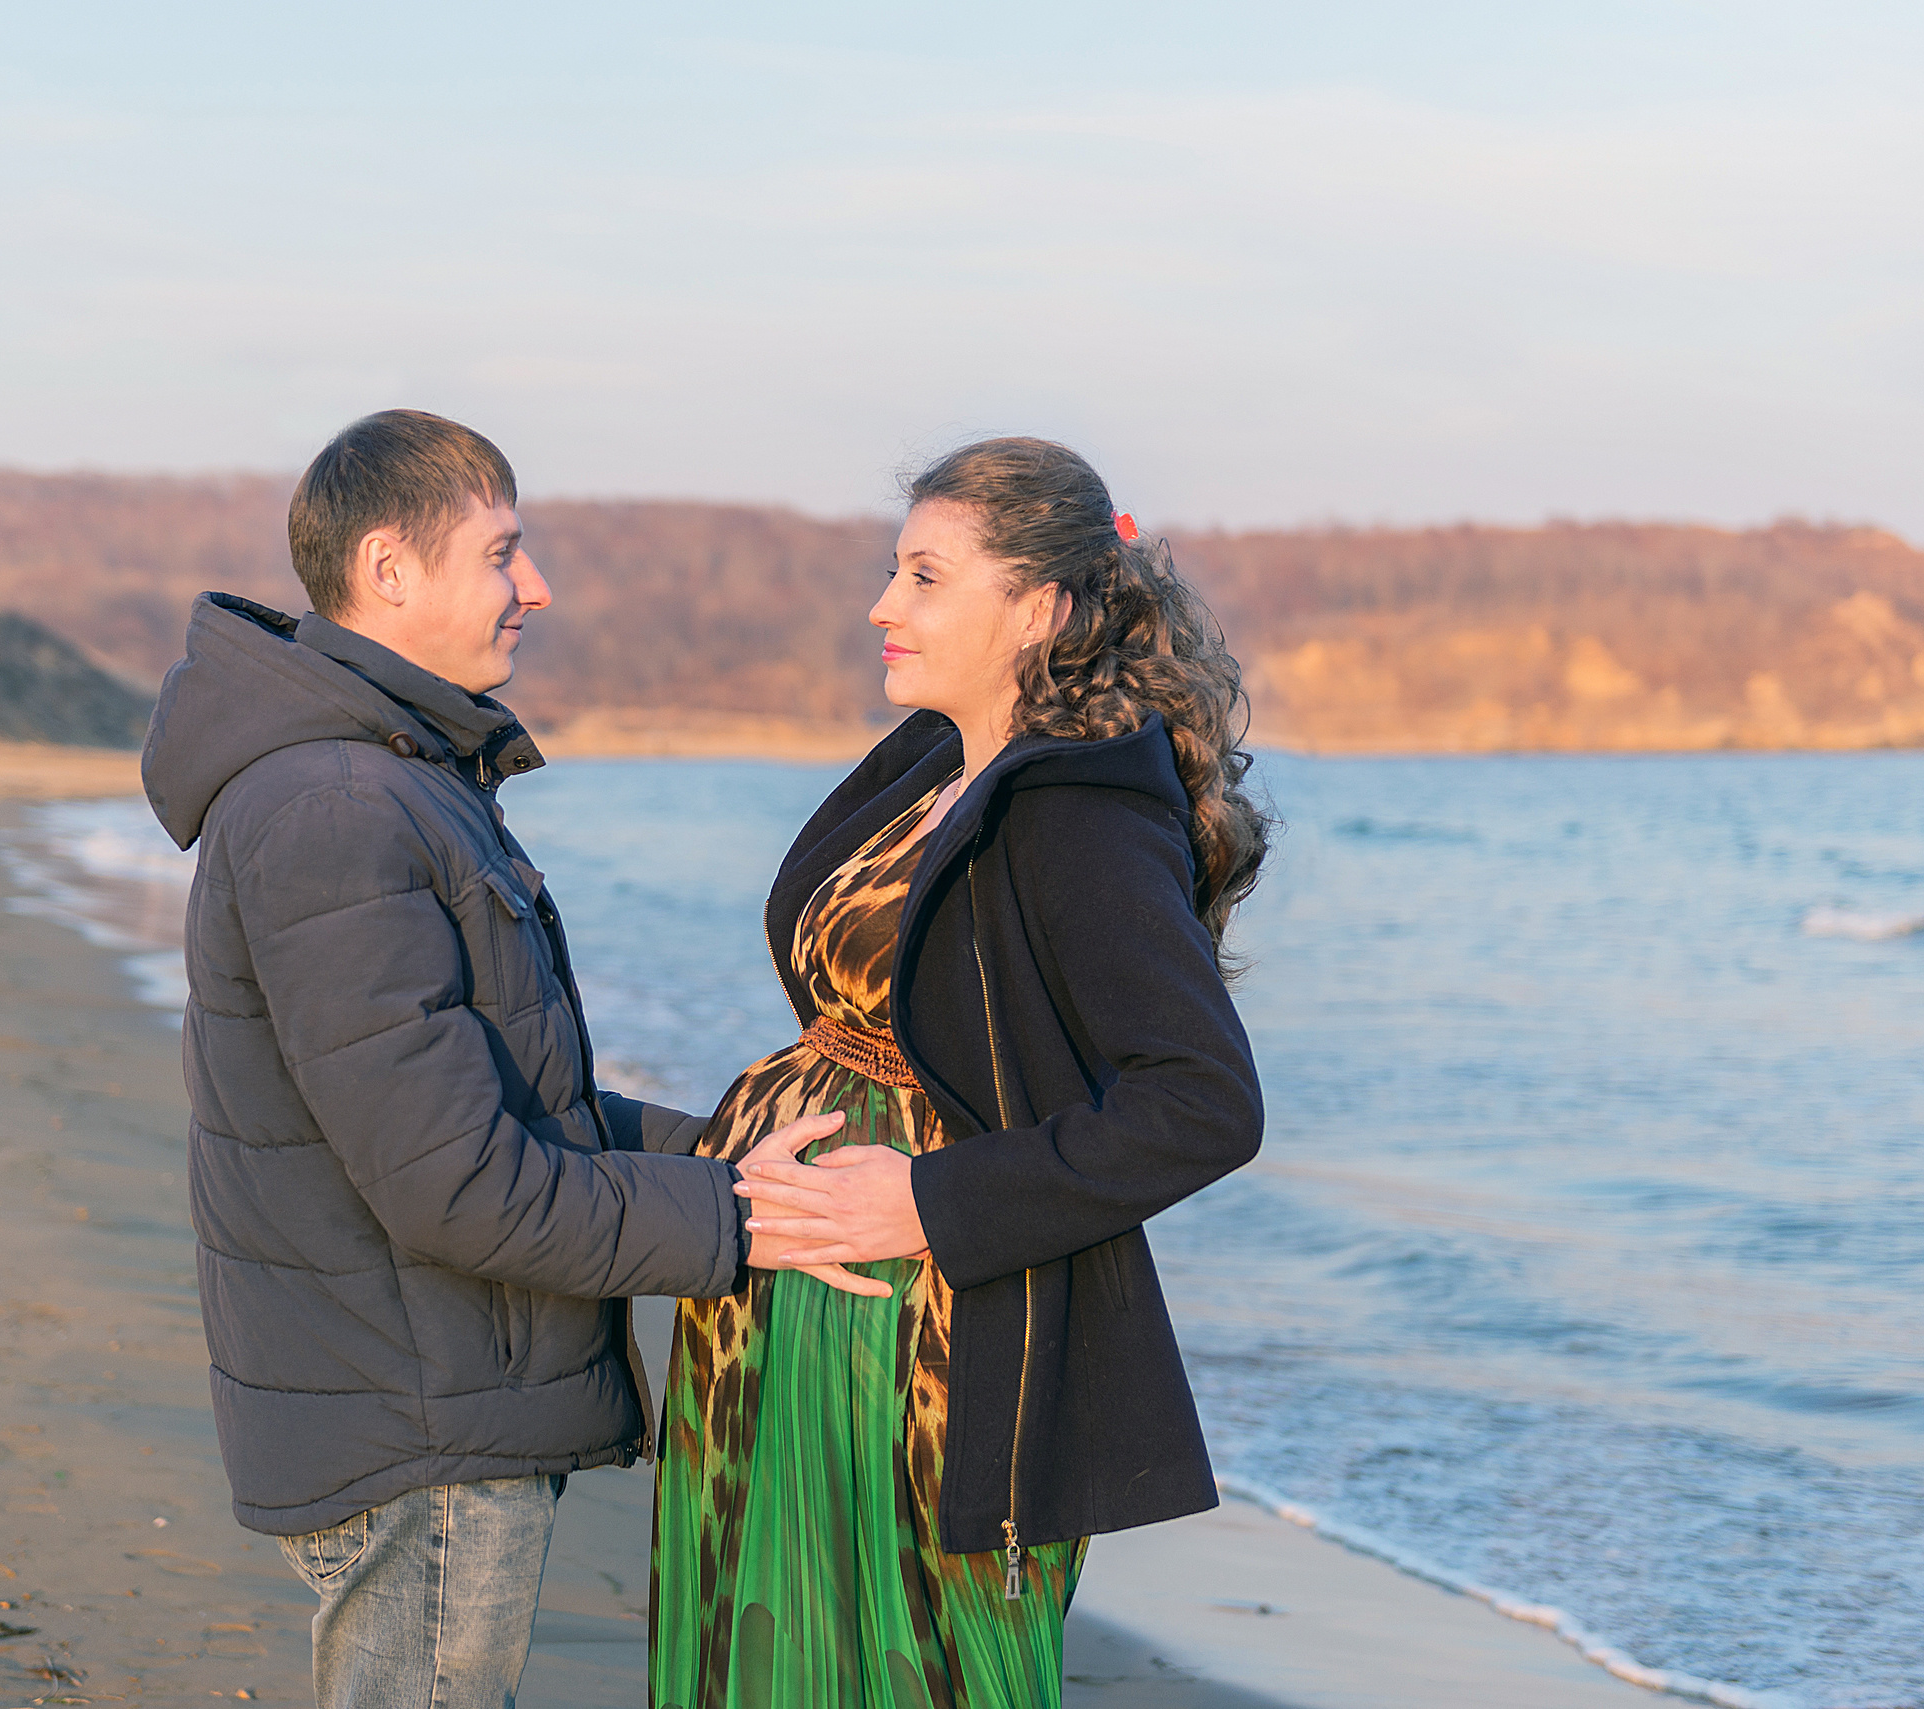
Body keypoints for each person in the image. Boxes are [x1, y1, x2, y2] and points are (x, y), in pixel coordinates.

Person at [140, 409, 837, 1709]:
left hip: (424, 1380)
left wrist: (727, 1146)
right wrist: (743, 1218)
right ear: (390, 569)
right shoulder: (340, 810)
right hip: (418, 1413)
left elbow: (509, 1100)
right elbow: (458, 1184)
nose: (538, 585)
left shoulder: (390, 779)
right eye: (503, 552)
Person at [650, 437, 1271, 1708]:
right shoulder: (940, 766)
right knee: (763, 1654)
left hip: (925, 1342)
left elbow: (1201, 1100)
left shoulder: (1078, 810)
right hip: (784, 1308)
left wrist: (929, 1205)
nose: (883, 603)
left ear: (1036, 609)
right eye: (894, 570)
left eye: (926, 576)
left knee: (915, 1675)